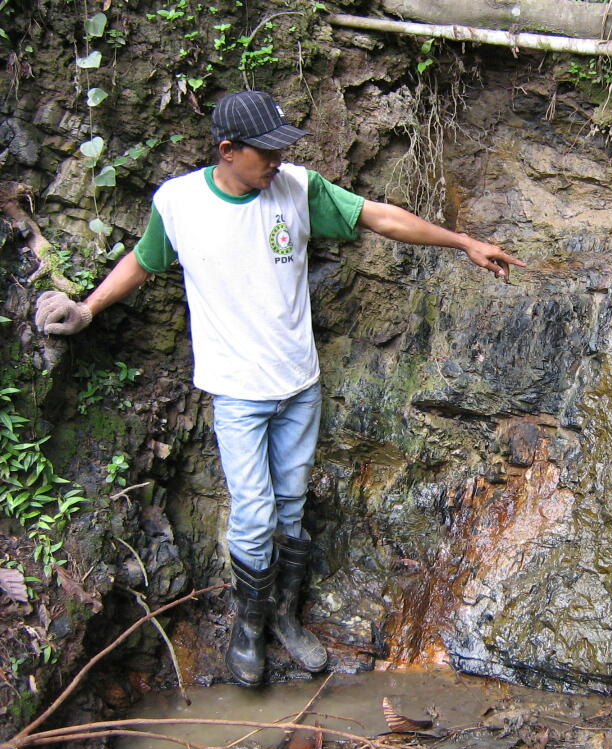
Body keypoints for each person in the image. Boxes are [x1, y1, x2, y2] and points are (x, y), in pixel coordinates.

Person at [35, 90, 524, 687]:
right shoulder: (180, 203)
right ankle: (249, 626)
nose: (276, 161)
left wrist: (464, 242)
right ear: (227, 150)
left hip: (299, 384)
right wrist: (87, 309)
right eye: (264, 151)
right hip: (237, 390)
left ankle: (286, 618)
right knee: (254, 511)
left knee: (290, 505)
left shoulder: (297, 188)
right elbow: (144, 260)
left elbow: (380, 216)